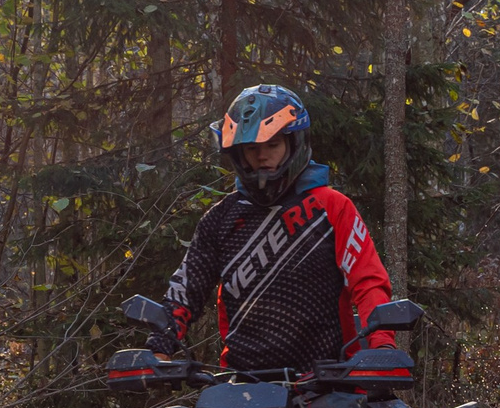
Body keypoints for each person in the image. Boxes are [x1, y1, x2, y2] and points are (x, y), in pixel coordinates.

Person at [154, 84, 397, 373]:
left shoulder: (331, 207)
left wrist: (382, 346)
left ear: (293, 144)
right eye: (252, 148)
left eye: (273, 145)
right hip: (241, 385)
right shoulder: (220, 218)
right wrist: (160, 347)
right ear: (239, 153)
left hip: (329, 381)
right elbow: (186, 289)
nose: (262, 156)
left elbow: (368, 281)